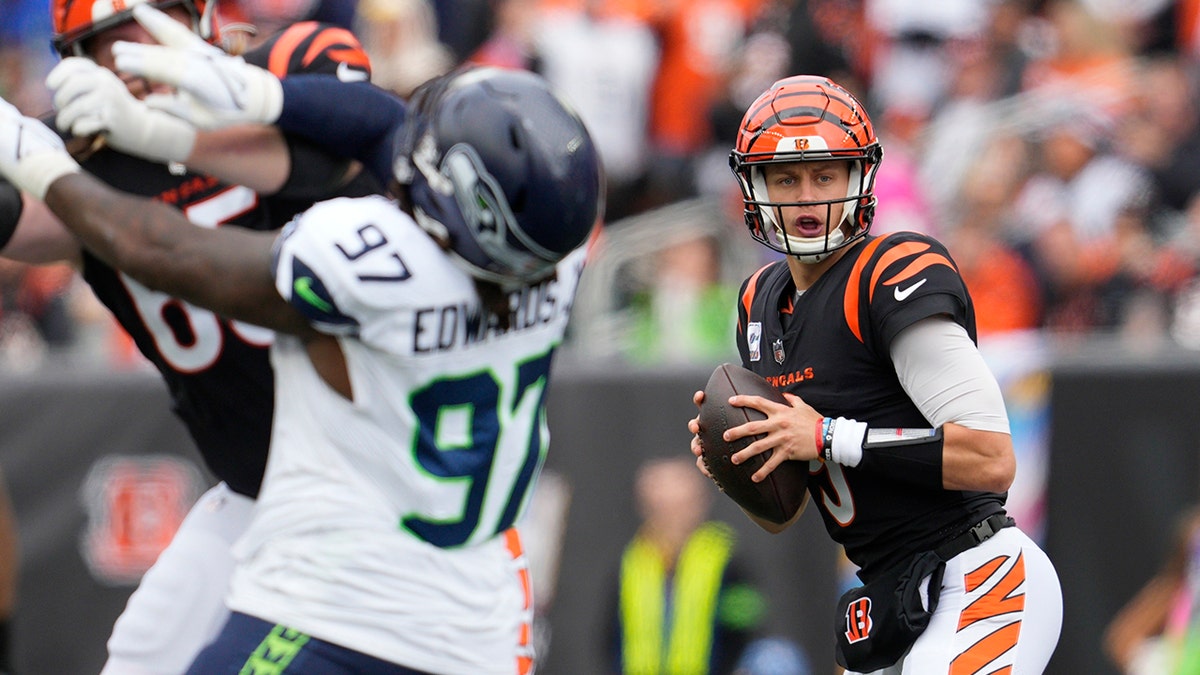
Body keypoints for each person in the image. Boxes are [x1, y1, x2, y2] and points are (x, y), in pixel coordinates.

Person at [0, 33, 603, 673]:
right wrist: (246, 99)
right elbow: (387, 129)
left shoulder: (377, 264)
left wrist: (44, 168)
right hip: (474, 619)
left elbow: (170, 253)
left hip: (342, 605)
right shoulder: (553, 260)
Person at [0, 1, 377, 672]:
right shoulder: (82, 160)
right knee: (140, 658)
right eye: (103, 40)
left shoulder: (286, 76)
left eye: (147, 19)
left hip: (371, 492)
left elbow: (349, 139)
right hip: (255, 489)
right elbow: (21, 214)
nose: (130, 52)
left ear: (196, 16)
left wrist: (195, 118)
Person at [686, 75, 1062, 674]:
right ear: (753, 188)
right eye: (786, 178)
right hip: (889, 596)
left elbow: (991, 457)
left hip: (980, 575)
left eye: (825, 175)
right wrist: (742, 462)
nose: (806, 196)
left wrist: (828, 436)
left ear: (860, 178)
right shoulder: (758, 301)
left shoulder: (890, 271)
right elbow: (783, 516)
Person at [606, 455, 766, 674]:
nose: (672, 518)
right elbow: (612, 635)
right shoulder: (632, 561)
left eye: (680, 506)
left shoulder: (725, 559)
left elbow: (745, 629)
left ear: (700, 505)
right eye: (661, 508)